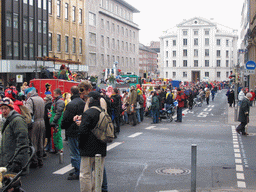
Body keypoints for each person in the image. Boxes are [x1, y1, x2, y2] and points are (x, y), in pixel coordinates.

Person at [79, 91, 107, 192]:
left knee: (85, 173)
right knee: (98, 173)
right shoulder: (103, 112)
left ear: (90, 100)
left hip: (88, 148)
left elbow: (83, 131)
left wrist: (80, 145)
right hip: (101, 146)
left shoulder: (88, 113)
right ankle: (97, 190)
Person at [61, 86, 85, 180]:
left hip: (72, 130)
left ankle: (77, 171)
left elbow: (66, 118)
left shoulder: (71, 104)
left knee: (74, 152)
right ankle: (80, 170)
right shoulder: (83, 103)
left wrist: (63, 126)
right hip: (81, 129)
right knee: (80, 151)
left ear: (71, 92)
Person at [0, 98, 29, 174]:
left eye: (5, 108)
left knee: (15, 183)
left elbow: (23, 142)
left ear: (11, 108)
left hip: (15, 162)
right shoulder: (6, 120)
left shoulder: (17, 120)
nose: (3, 111)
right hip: (8, 160)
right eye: (2, 108)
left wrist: (17, 161)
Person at [25, 87, 45, 168]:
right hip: (42, 121)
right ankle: (40, 160)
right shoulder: (41, 99)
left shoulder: (30, 100)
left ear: (29, 93)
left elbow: (28, 113)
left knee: (33, 142)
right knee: (40, 141)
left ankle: (34, 161)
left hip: (34, 123)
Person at [50, 88, 65, 153]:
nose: (53, 94)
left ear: (58, 93)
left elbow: (58, 112)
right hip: (55, 120)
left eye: (54, 93)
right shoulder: (56, 100)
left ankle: (60, 149)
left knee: (58, 134)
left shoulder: (60, 101)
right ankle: (56, 148)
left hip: (57, 121)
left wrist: (54, 121)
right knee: (55, 134)